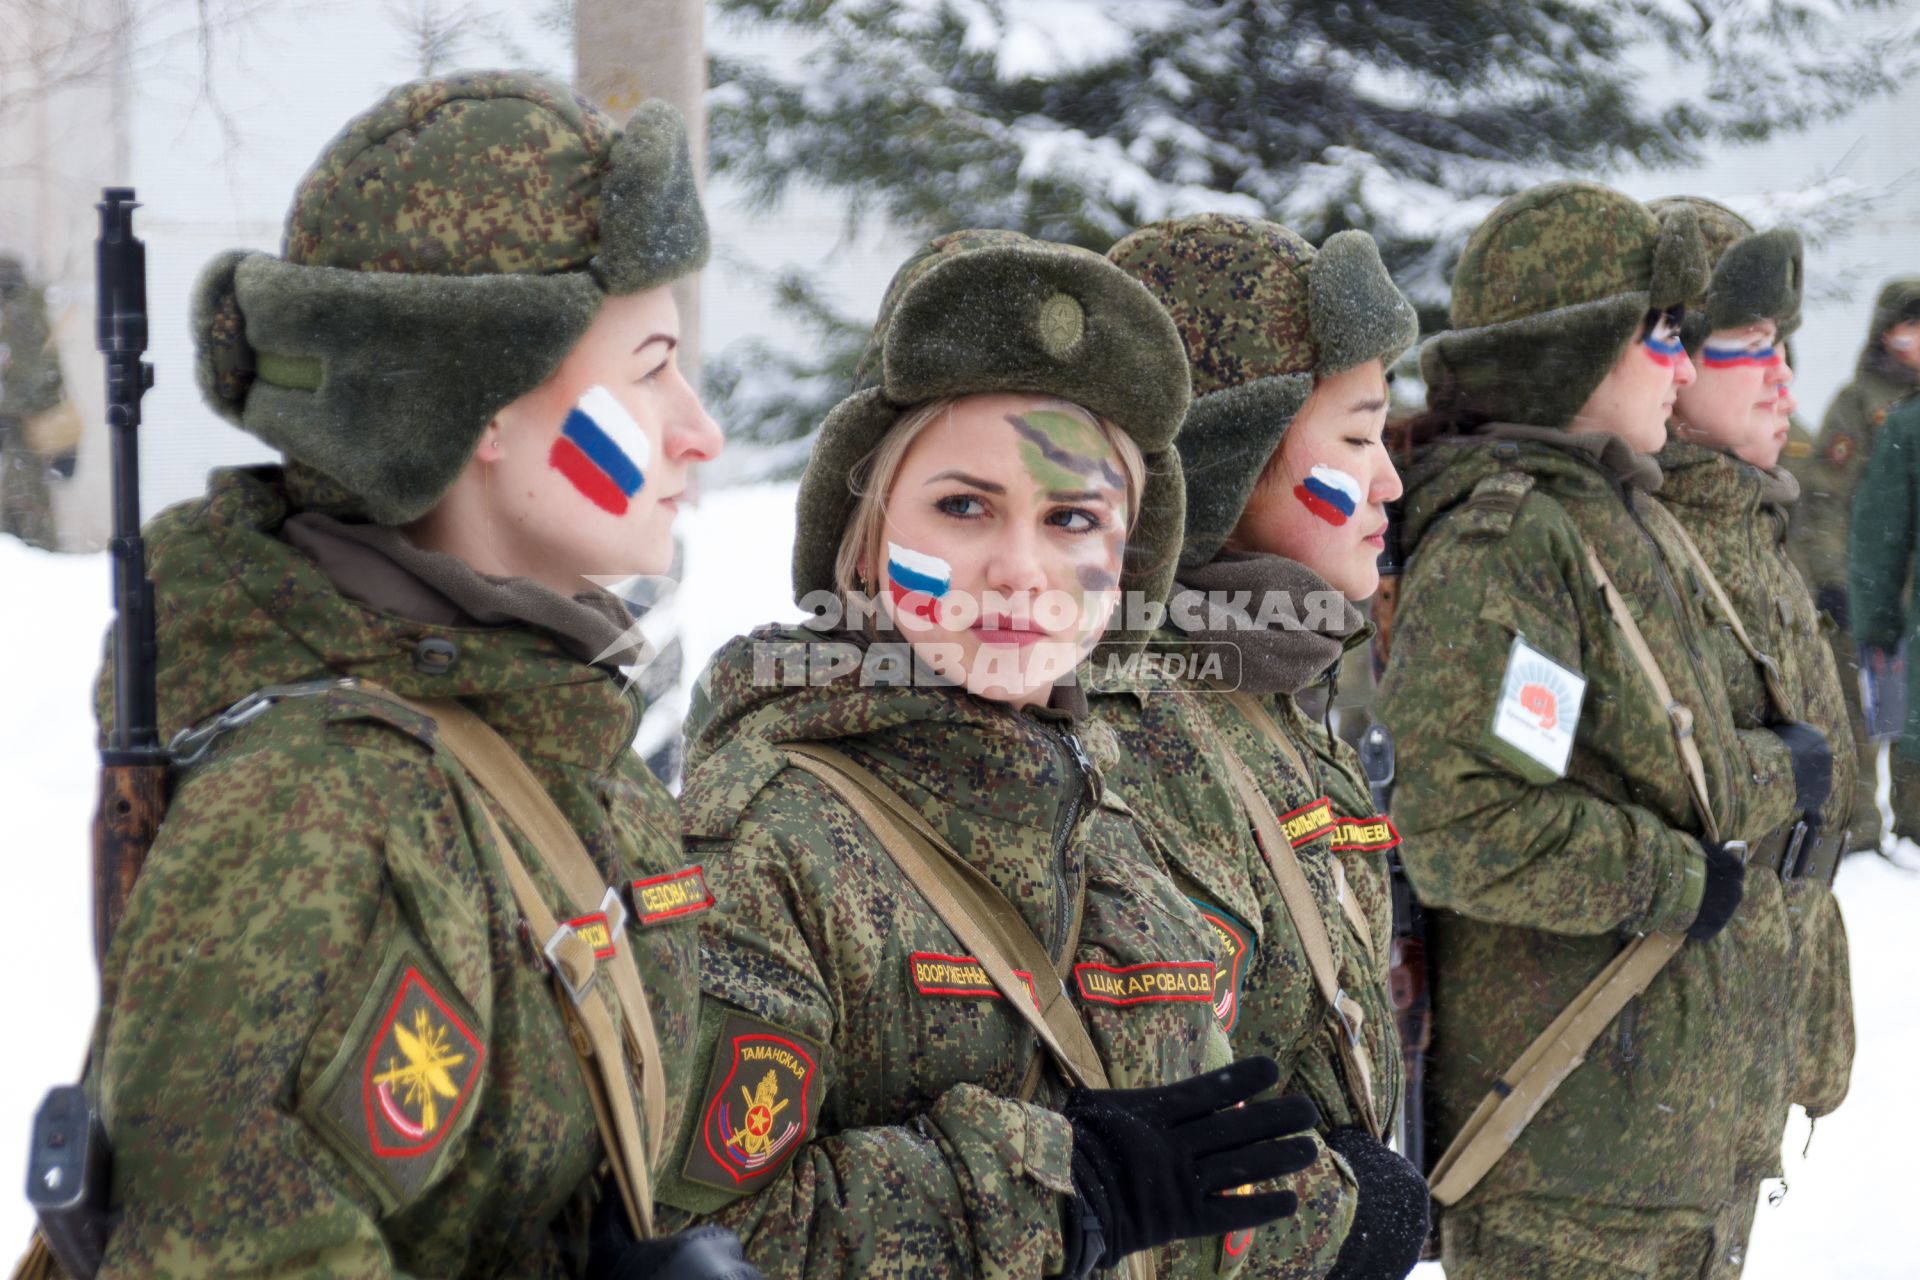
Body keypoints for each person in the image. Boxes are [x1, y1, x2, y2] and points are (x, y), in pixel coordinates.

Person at [86, 72, 736, 1277]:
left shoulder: (536, 716)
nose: (700, 429)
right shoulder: (320, 812)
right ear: (477, 405)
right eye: (650, 368)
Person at [655, 230, 1324, 1278]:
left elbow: (1177, 1179)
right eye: (963, 506)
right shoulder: (768, 841)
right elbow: (710, 1238)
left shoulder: (1112, 829)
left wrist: (1317, 1217)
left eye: (1073, 518)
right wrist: (1073, 1190)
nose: (1020, 569)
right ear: (867, 538)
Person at [1375, 181, 1830, 1278]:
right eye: (1661, 331)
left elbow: (1672, 768)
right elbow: (1465, 825)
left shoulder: (1607, 516)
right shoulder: (1509, 542)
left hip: (1650, 1150)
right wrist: (1680, 881)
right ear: (1576, 346)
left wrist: (1775, 775)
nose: (1681, 364)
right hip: (1569, 1176)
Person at [1096, 214, 1430, 1280]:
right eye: (1356, 434)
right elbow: (1130, 1151)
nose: (1389, 481)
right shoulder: (1134, 727)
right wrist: (1328, 1219)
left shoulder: (1263, 681)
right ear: (1229, 456)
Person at [1648, 195, 1856, 1257]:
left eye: (1787, 349)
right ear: (1670, 361)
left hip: (1728, 1073)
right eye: (1752, 349)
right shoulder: (1642, 548)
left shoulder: (1745, 521)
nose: (1785, 381)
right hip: (1649, 1097)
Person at [1789, 275, 1920, 847]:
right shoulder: (1859, 403)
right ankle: (1858, 823)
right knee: (1858, 707)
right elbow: (1824, 497)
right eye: (1908, 327)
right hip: (1869, 581)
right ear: (1886, 333)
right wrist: (1835, 578)